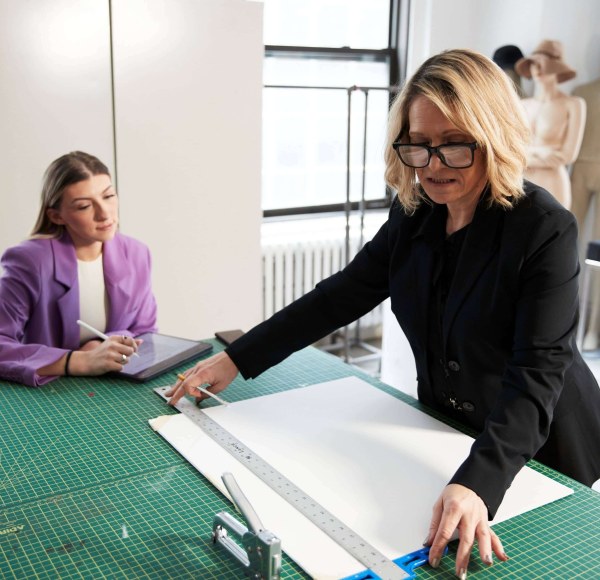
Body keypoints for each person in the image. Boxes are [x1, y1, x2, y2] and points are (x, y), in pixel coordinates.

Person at [167, 49, 600, 578]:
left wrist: (478, 483)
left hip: (540, 441)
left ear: (493, 137)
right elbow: (341, 295)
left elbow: (536, 376)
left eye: (455, 146)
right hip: (449, 424)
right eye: (419, 145)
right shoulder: (414, 213)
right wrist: (235, 359)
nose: (433, 166)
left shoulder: (545, 229)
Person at [0, 151, 158, 387]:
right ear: (56, 216)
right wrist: (79, 361)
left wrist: (103, 345)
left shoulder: (136, 253)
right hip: (45, 390)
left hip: (112, 385)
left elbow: (146, 331)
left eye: (109, 196)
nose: (104, 214)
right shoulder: (29, 261)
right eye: (84, 206)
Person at [515, 39, 586, 209]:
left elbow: (568, 155)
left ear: (556, 68)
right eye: (533, 64)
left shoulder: (573, 104)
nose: (537, 69)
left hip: (552, 184)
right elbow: (513, 148)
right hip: (520, 182)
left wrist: (526, 156)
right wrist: (545, 152)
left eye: (543, 64)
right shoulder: (523, 105)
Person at [570, 77, 600, 349]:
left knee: (597, 254)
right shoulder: (582, 93)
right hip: (579, 168)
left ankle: (593, 328)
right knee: (566, 243)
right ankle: (567, 320)